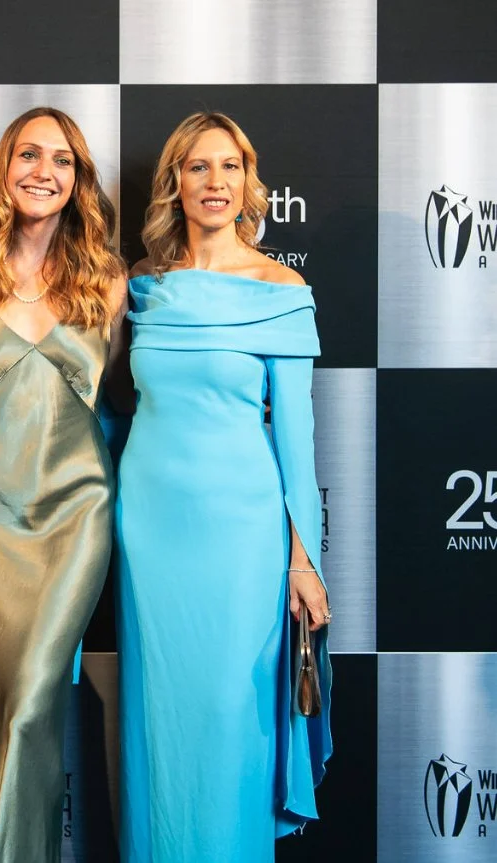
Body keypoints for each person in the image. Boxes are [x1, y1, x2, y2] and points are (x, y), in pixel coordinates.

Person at [116, 111, 332, 861]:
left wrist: (303, 560)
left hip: (241, 535)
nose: (215, 182)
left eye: (230, 167)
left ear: (248, 183)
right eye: (199, 167)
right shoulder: (143, 288)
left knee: (229, 714)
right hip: (148, 527)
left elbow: (297, 440)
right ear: (174, 181)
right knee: (159, 719)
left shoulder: (280, 288)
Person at [0, 107, 128, 860]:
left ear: (78, 181)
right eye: (28, 154)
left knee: (35, 700)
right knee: (5, 707)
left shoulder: (108, 280)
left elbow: (124, 397)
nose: (43, 171)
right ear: (5, 168)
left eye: (62, 160)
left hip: (78, 513)